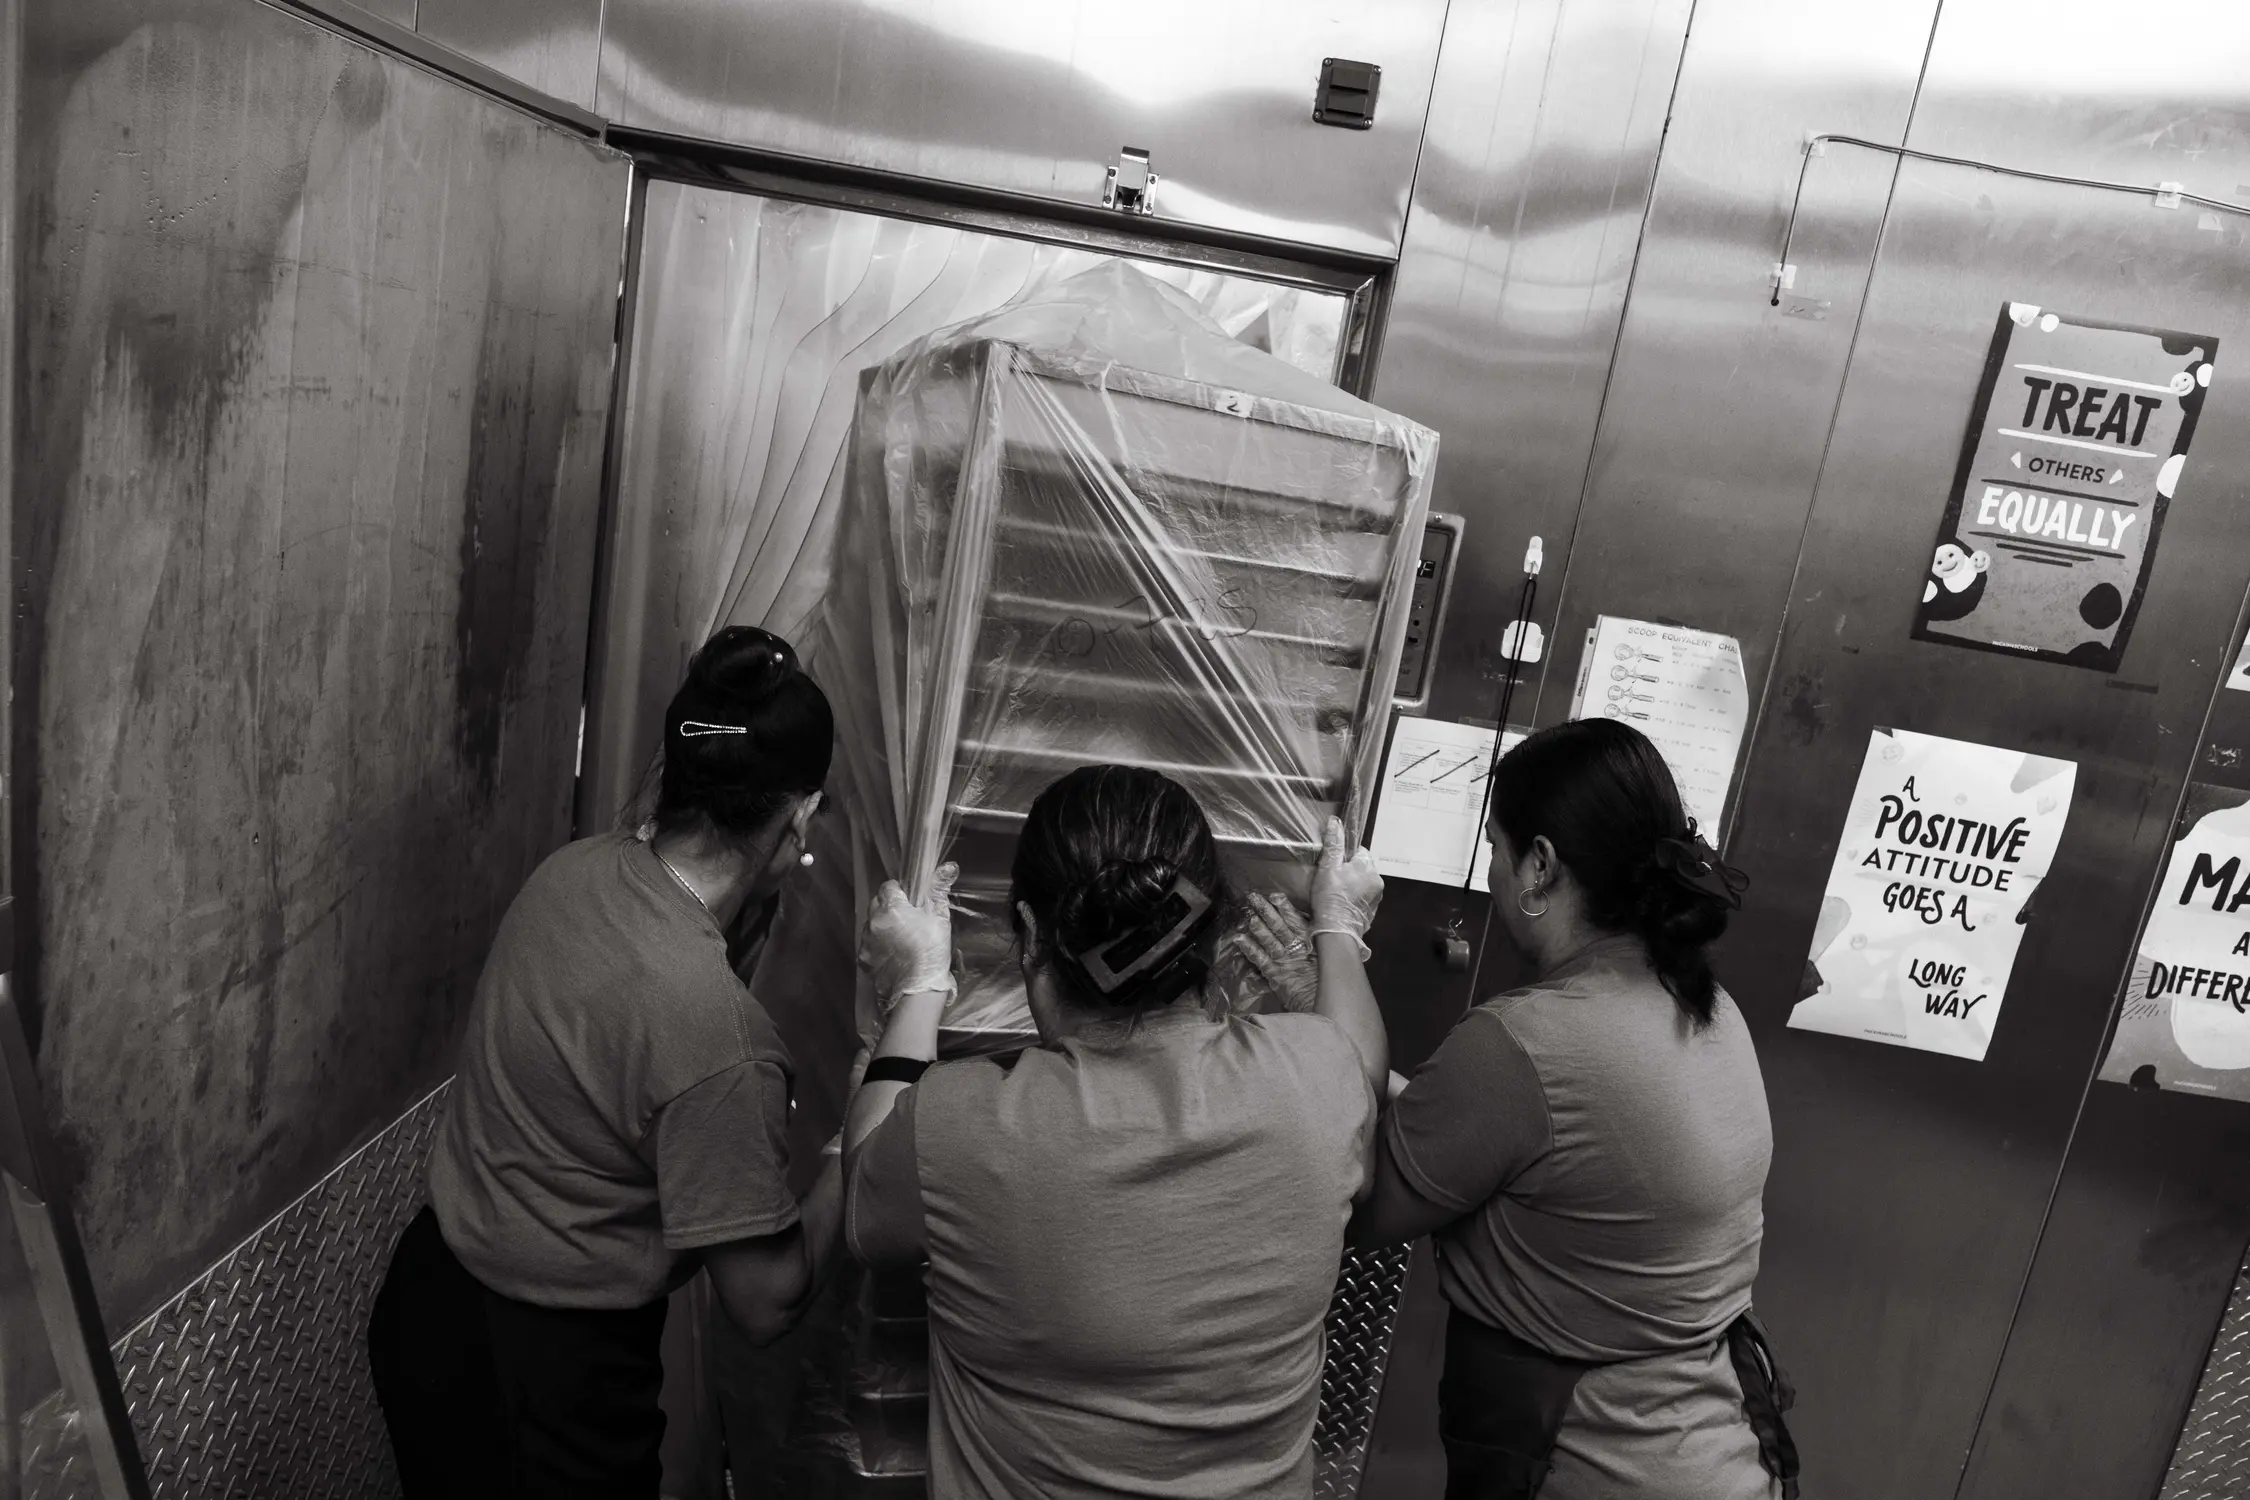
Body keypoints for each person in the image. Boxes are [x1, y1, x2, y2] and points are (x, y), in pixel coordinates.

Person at [367, 626, 844, 1500]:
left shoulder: (573, 872)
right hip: (548, 1384)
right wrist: (865, 1125)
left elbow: (622, 1060)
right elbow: (766, 1299)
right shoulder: (717, 1039)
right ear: (800, 818)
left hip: (427, 1309)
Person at [843, 765, 1387, 1498]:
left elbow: (864, 1183)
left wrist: (918, 987)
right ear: (1212, 927)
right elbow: (1360, 1057)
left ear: (1032, 935)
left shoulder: (954, 1126)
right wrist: (1337, 930)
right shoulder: (1322, 1078)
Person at [1350, 718, 1797, 1500]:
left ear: (1541, 866)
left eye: (1495, 847)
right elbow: (1486, 1142)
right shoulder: (1703, 1006)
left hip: (1594, 1471)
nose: (1491, 872)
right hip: (1718, 1456)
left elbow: (1361, 1204)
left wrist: (1334, 949)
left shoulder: (1525, 1044)